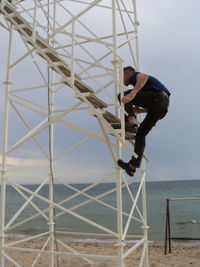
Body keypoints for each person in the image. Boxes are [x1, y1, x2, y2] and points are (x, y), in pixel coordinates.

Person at [118, 66, 170, 176]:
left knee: (122, 95)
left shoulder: (134, 76)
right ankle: (132, 166)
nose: (120, 79)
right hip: (161, 108)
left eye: (121, 76)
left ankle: (131, 118)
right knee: (140, 134)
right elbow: (157, 104)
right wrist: (140, 110)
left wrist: (132, 94)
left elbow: (144, 76)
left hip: (157, 97)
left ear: (127, 73)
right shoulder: (143, 86)